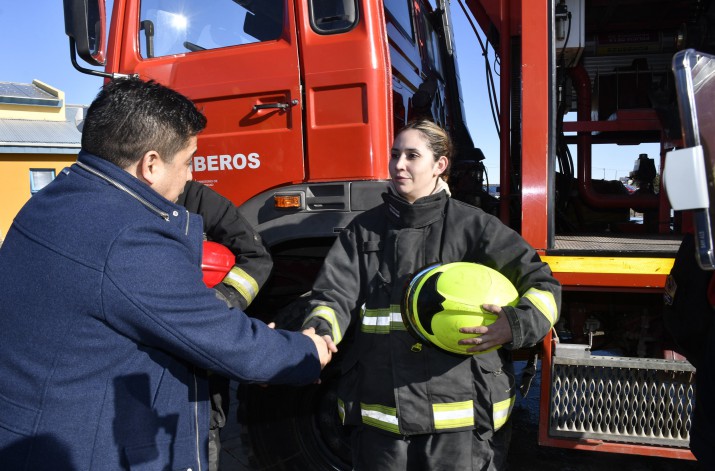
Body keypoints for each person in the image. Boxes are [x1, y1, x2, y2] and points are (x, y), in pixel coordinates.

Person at [0, 77, 333, 471]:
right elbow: (223, 340)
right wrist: (305, 351)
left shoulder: (52, 200)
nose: (191, 175)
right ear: (152, 164)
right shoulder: (128, 236)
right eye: (189, 160)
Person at [301, 119, 561, 470]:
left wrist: (513, 325)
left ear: (440, 165)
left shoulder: (475, 227)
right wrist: (318, 332)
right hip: (381, 421)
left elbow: (543, 285)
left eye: (412, 156)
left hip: (457, 425)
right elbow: (333, 295)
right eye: (395, 155)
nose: (399, 165)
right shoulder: (363, 230)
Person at [178, 180, 274, 471]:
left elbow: (256, 258)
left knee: (203, 444)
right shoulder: (122, 203)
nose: (189, 170)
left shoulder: (196, 197)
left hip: (199, 375)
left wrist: (220, 302)